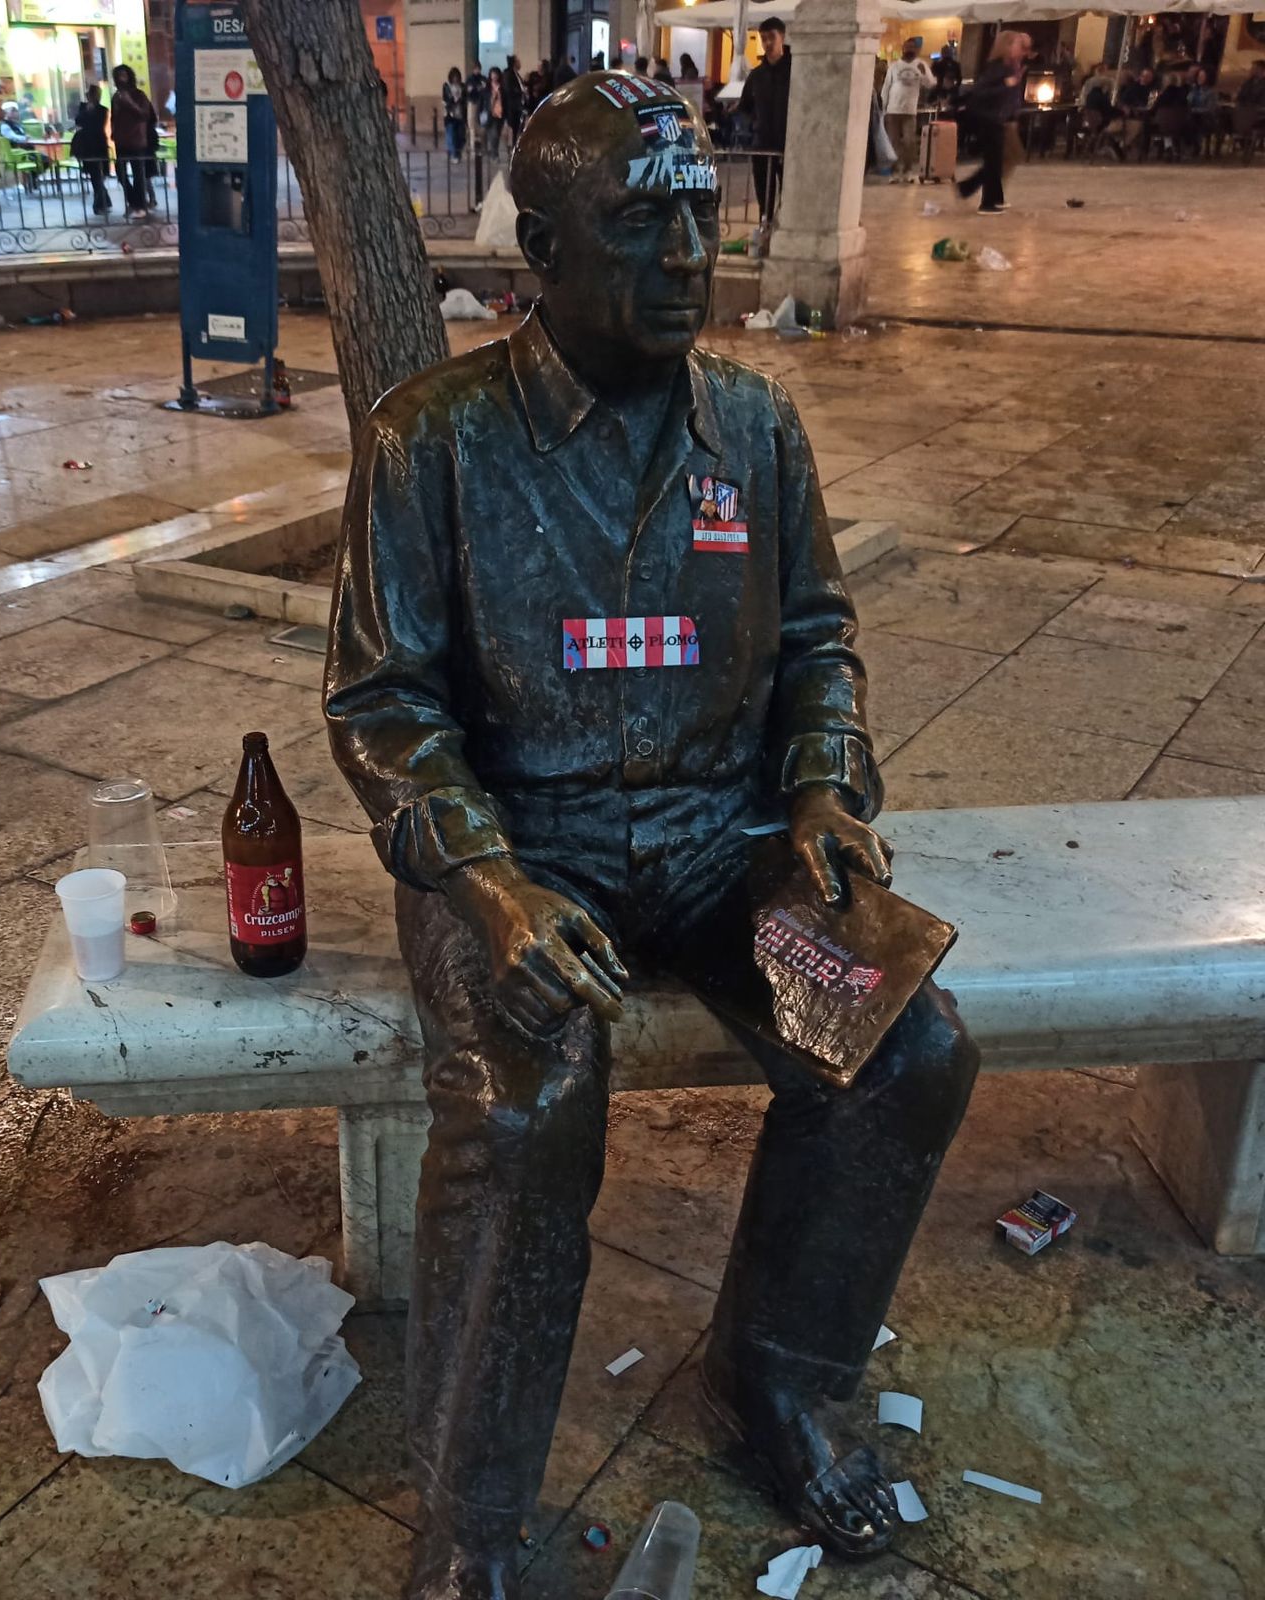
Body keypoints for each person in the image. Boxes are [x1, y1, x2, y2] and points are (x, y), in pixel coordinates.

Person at [325, 68, 979, 1600]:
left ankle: (774, 1383)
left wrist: (823, 791)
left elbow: (817, 640)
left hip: (718, 844)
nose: (690, 255)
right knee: (530, 1109)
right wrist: (488, 888)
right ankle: (473, 1519)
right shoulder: (432, 442)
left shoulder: (751, 424)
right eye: (641, 223)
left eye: (700, 215)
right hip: (516, 852)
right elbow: (383, 704)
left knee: (905, 1051)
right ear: (542, 251)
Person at [956, 28, 1029, 215]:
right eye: (1017, 44)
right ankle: (986, 202)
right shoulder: (997, 68)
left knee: (997, 160)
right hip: (988, 119)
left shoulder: (1008, 67)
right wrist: (1007, 84)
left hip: (997, 118)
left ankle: (993, 197)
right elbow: (980, 92)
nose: (1021, 48)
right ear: (1006, 46)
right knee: (994, 160)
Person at [742, 18, 793, 223]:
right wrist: (756, 124)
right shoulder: (756, 75)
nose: (768, 43)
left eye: (772, 37)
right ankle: (765, 226)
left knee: (790, 196)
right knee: (764, 195)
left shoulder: (795, 71)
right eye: (764, 39)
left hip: (789, 145)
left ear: (782, 37)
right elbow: (746, 105)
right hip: (762, 144)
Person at [110, 63, 158, 219]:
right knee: (121, 173)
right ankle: (135, 202)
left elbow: (145, 115)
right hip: (121, 140)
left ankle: (140, 205)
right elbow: (114, 117)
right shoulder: (116, 97)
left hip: (137, 140)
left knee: (138, 174)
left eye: (124, 75)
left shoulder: (139, 95)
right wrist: (113, 132)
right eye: (118, 76)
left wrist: (130, 103)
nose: (121, 79)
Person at [883, 39, 934, 181]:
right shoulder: (894, 66)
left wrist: (924, 73)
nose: (910, 49)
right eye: (907, 47)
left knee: (909, 142)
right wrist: (884, 107)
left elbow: (930, 84)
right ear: (903, 48)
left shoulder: (921, 64)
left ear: (916, 49)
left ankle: (908, 170)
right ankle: (894, 172)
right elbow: (886, 87)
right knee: (893, 142)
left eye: (913, 47)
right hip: (893, 110)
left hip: (910, 110)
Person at [72, 82, 112, 215]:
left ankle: (101, 202)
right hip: (87, 145)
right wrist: (87, 111)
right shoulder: (83, 108)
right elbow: (78, 121)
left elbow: (99, 125)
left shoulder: (103, 110)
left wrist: (91, 113)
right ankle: (101, 202)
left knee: (100, 174)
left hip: (99, 144)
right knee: (94, 175)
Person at [443, 66, 467, 162]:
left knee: (461, 136)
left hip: (461, 115)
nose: (455, 79)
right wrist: (453, 100)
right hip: (450, 115)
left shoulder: (463, 86)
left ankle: (458, 152)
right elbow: (445, 100)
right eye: (453, 76)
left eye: (457, 76)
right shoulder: (446, 87)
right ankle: (454, 154)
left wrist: (460, 99)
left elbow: (465, 99)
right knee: (451, 135)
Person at [483, 65, 506, 160]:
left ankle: (494, 152)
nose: (494, 76)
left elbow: (506, 101)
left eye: (496, 74)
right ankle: (494, 154)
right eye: (493, 74)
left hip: (500, 114)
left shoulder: (502, 88)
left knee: (497, 134)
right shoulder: (487, 88)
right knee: (493, 134)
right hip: (490, 113)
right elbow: (482, 101)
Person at [502, 55, 526, 144]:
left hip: (519, 105)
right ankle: (512, 146)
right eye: (518, 61)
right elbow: (509, 89)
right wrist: (521, 91)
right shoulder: (508, 74)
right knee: (513, 129)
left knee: (518, 128)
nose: (520, 63)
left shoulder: (517, 74)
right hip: (512, 107)